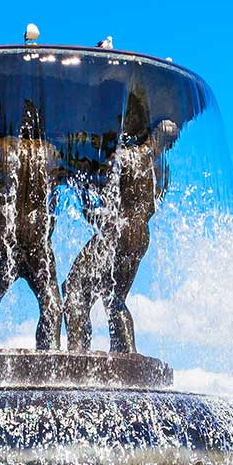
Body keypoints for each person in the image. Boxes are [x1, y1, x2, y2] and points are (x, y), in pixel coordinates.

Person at [63, 118, 179, 353]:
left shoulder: (123, 157)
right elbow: (151, 207)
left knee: (73, 286)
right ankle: (126, 355)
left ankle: (78, 351)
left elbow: (106, 207)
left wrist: (84, 195)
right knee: (114, 298)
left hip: (117, 232)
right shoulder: (162, 171)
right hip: (140, 237)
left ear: (152, 133)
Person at [0, 102, 65, 352]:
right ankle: (50, 354)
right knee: (50, 297)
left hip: (2, 229)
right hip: (36, 235)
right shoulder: (52, 153)